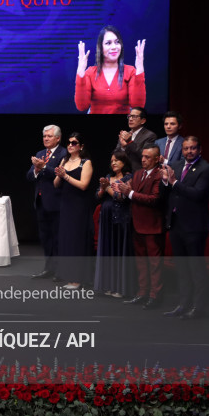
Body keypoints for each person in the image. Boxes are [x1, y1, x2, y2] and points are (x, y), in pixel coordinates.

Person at [161, 136, 209, 320]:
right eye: (186, 148)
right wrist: (165, 182)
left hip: (194, 226)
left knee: (196, 268)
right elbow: (168, 192)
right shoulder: (175, 165)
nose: (189, 151)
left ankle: (198, 307)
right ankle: (182, 305)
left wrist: (175, 182)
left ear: (199, 149)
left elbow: (198, 194)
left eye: (193, 148)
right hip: (176, 223)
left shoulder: (206, 169)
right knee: (182, 268)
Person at [116, 144, 165, 309]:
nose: (143, 160)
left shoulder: (159, 175)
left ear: (157, 159)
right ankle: (142, 292)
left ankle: (155, 296)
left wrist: (129, 193)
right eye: (142, 157)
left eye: (148, 157)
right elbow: (133, 195)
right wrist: (125, 191)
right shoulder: (138, 174)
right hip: (137, 224)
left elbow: (154, 199)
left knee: (154, 263)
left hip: (152, 225)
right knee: (141, 262)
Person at [53, 133, 94, 289]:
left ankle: (78, 278)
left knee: (76, 240)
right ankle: (69, 276)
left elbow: (84, 185)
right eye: (69, 142)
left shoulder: (86, 163)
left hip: (79, 205)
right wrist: (59, 175)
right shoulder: (64, 160)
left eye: (74, 143)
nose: (70, 145)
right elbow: (57, 184)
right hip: (66, 204)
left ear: (81, 146)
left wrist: (66, 176)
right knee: (66, 239)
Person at [75, 25, 146, 114]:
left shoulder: (130, 71)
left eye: (117, 42)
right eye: (108, 43)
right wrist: (80, 72)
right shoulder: (90, 73)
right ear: (100, 48)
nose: (114, 47)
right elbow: (82, 106)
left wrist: (139, 70)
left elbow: (138, 106)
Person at [27, 125, 67, 279]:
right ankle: (48, 268)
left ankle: (60, 270)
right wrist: (36, 169)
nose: (46, 139)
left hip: (56, 202)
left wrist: (43, 167)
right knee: (45, 237)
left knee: (57, 237)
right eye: (44, 136)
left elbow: (59, 174)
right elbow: (29, 176)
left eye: (49, 136)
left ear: (58, 138)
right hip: (41, 201)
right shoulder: (40, 153)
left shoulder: (64, 154)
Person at [93, 152, 134, 298]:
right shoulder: (108, 176)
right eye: (112, 161)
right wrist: (103, 188)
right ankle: (107, 285)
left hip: (121, 217)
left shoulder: (129, 177)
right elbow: (97, 195)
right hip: (106, 218)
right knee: (108, 251)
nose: (113, 163)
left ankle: (120, 287)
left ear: (124, 162)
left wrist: (108, 187)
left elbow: (121, 197)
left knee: (118, 250)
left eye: (117, 160)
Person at [114, 107, 157, 173]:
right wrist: (123, 147)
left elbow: (144, 156)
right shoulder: (125, 135)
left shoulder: (150, 136)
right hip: (122, 173)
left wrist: (130, 142)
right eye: (129, 116)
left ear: (143, 121)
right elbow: (115, 156)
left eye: (134, 117)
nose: (130, 119)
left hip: (138, 174)